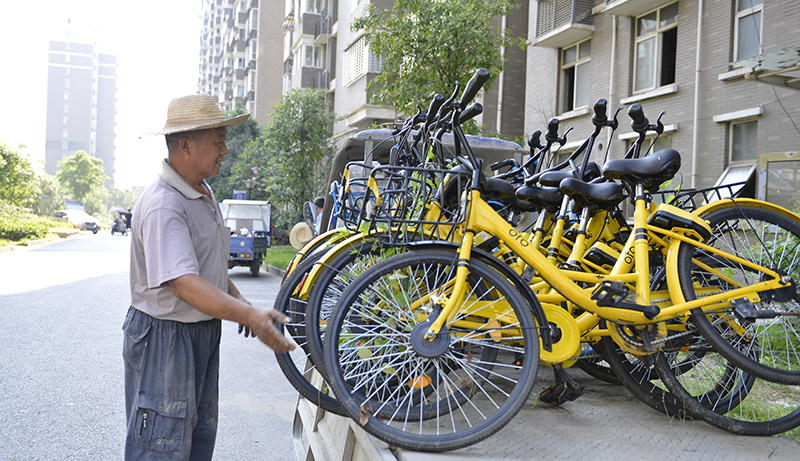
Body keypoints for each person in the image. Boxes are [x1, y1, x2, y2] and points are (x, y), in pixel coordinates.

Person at [123, 94, 294, 460]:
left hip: (198, 333)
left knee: (196, 440)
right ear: (186, 146)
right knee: (163, 445)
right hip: (165, 338)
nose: (225, 150)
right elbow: (183, 282)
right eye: (218, 141)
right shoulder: (165, 204)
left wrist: (239, 303)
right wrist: (247, 315)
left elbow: (208, 266)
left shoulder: (201, 191)